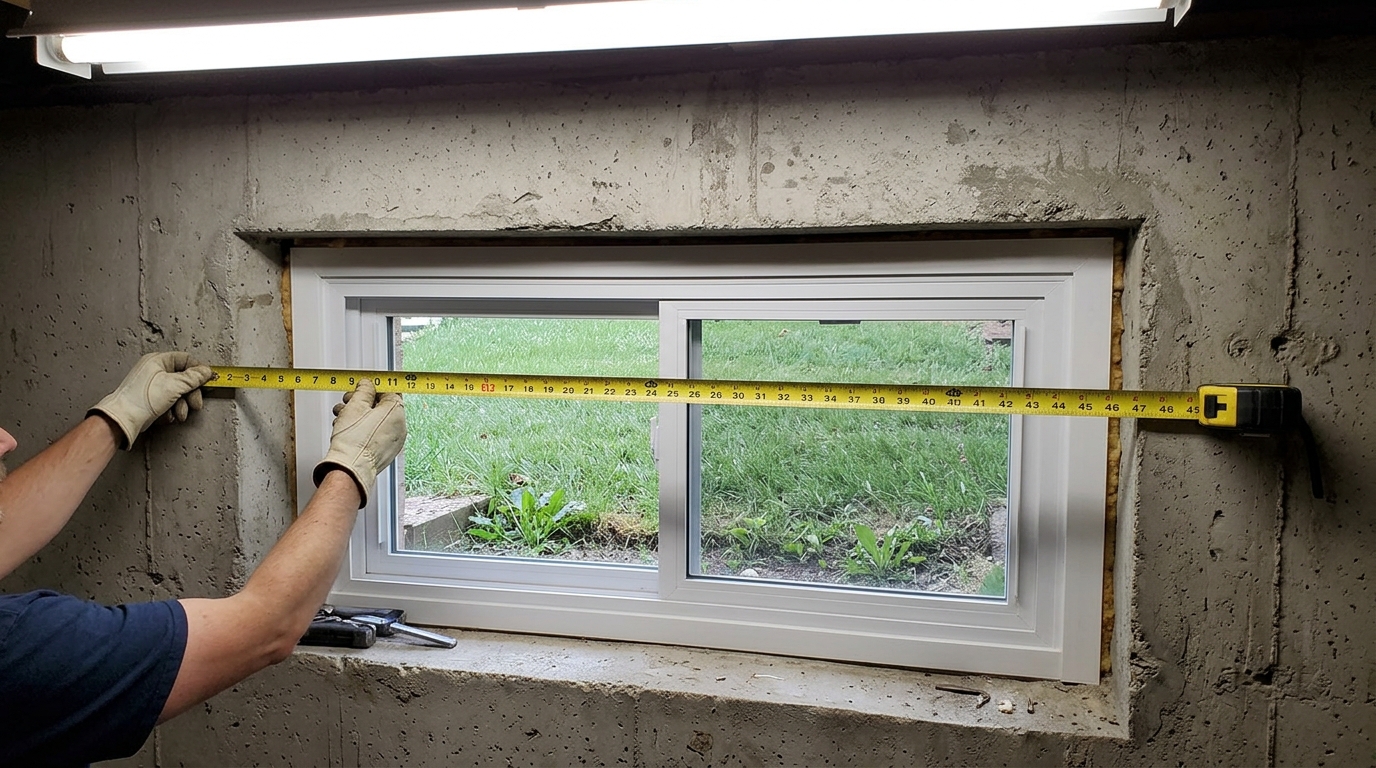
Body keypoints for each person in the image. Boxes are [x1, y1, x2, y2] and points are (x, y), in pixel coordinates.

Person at [0, 351, 407, 765]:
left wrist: (117, 415)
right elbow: (268, 624)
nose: (6, 439)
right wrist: (353, 467)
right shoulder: (22, 647)